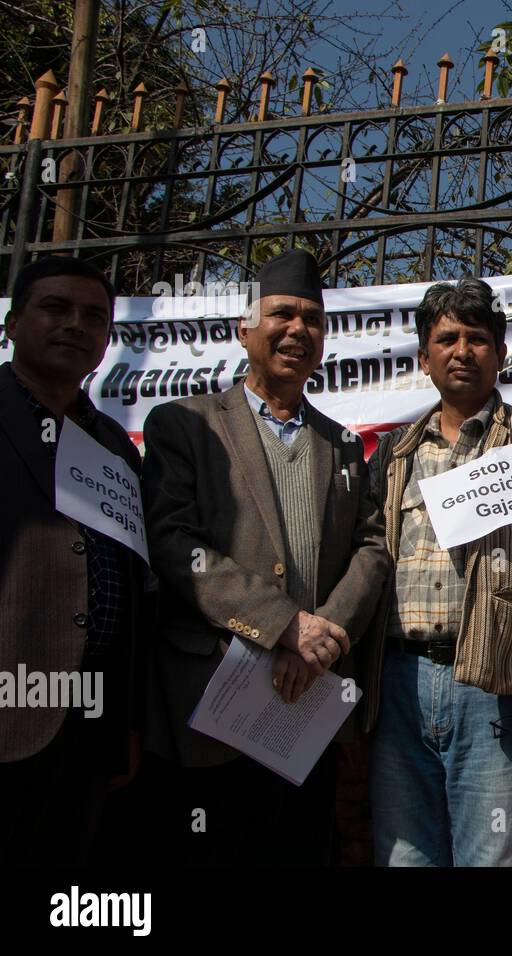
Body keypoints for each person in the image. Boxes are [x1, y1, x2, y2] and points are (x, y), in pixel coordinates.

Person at [141, 248, 389, 865]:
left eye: (312, 319)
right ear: (243, 328)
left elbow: (372, 548)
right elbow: (173, 541)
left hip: (304, 712)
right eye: (282, 314)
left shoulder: (341, 446)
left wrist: (322, 637)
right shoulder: (185, 424)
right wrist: (284, 626)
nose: (297, 330)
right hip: (212, 704)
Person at [363, 276, 512, 867]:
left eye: (478, 339)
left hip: (492, 686)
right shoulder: (396, 452)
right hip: (398, 685)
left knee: (492, 857)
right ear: (423, 357)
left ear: (501, 354)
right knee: (404, 859)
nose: (463, 350)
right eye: (447, 338)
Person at [0, 256, 146, 865]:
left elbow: (133, 575)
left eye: (93, 317)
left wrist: (128, 719)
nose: (75, 326)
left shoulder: (112, 443)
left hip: (89, 720)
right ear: (12, 324)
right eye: (55, 309)